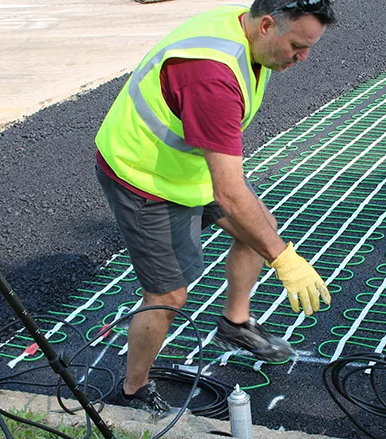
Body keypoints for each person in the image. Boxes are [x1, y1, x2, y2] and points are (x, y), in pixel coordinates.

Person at [94, 0, 336, 417]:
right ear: (265, 26)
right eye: (297, 45)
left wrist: (271, 244)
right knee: (168, 294)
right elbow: (229, 193)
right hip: (142, 173)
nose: (303, 58)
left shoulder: (244, 28)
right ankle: (132, 390)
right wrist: (284, 259)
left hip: (188, 167)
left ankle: (235, 325)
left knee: (259, 228)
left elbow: (229, 191)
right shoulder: (211, 78)